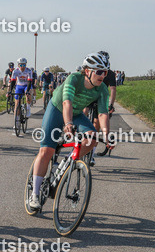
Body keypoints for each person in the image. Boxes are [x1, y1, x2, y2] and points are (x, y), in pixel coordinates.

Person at [27, 53, 111, 213]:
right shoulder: (74, 79)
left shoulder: (102, 89)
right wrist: (68, 124)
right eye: (99, 71)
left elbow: (102, 114)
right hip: (57, 109)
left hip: (77, 113)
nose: (102, 76)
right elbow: (67, 102)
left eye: (105, 72)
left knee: (92, 138)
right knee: (47, 151)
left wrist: (107, 136)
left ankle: (68, 162)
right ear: (88, 71)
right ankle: (35, 194)